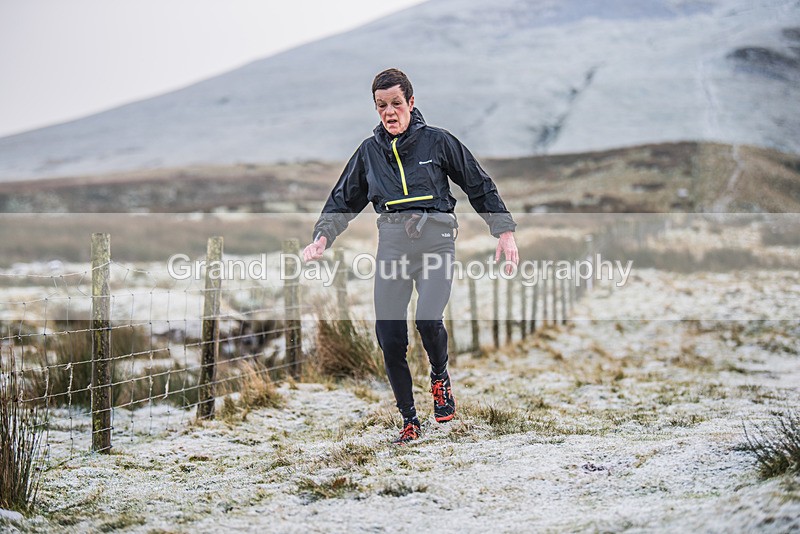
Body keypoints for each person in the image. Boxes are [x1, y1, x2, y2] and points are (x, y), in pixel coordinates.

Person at [303, 68, 518, 443]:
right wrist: (322, 238)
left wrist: (505, 232)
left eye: (396, 104)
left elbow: (478, 183)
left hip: (436, 243)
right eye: (381, 106)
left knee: (428, 319)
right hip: (393, 246)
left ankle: (439, 377)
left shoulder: (438, 142)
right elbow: (343, 199)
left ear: (411, 103)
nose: (389, 112)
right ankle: (409, 420)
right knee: (389, 335)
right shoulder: (369, 153)